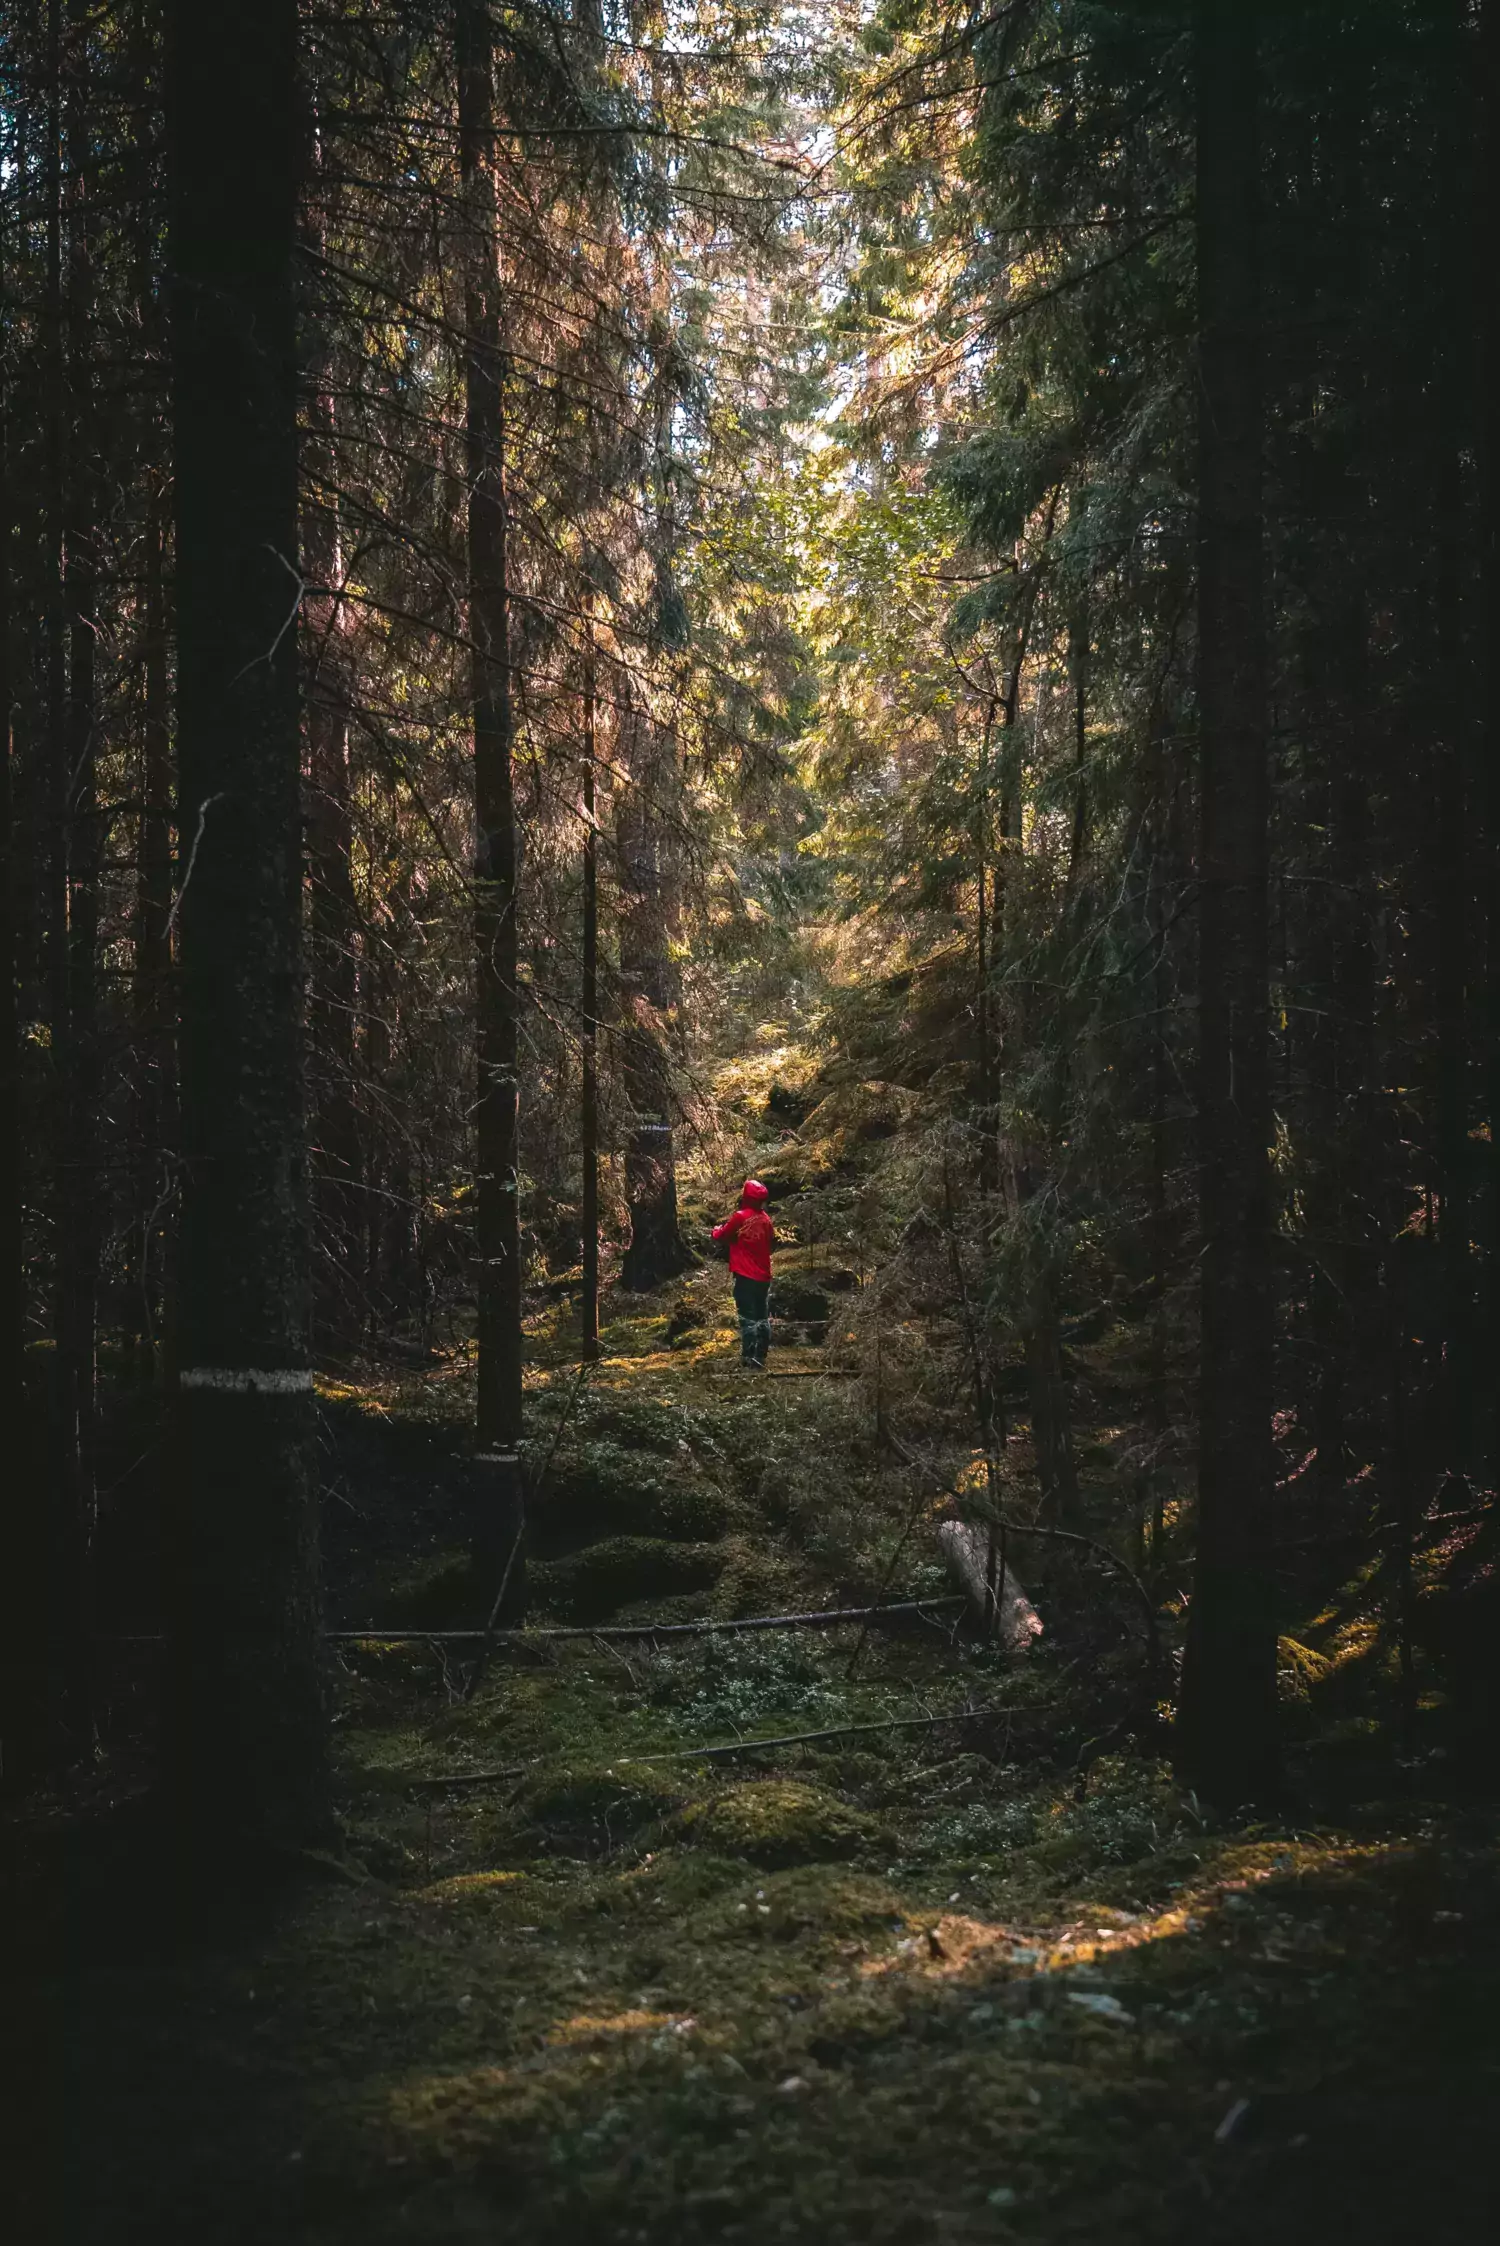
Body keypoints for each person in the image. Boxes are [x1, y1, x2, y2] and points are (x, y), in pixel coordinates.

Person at [712, 1178, 774, 1369]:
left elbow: (723, 1235)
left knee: (747, 1316)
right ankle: (761, 1355)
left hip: (745, 1276)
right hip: (763, 1276)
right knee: (761, 1314)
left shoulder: (740, 1217)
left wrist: (715, 1231)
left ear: (746, 1196)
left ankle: (748, 1358)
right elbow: (770, 1242)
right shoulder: (766, 1220)